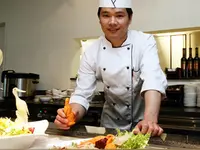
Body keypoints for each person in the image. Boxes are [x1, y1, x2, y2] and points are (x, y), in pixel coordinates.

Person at [54, 0, 167, 137]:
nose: (112, 22)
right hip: (109, 127)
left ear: (129, 18)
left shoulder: (144, 42)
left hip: (142, 126)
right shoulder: (91, 52)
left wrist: (149, 120)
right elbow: (81, 94)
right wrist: (70, 115)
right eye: (106, 15)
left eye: (119, 15)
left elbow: (152, 79)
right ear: (99, 19)